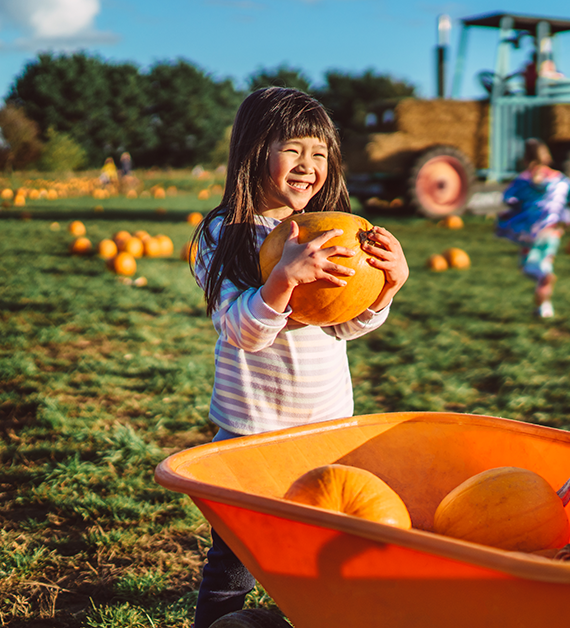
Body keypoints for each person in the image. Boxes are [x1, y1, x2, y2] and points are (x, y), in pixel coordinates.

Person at [188, 86, 409, 628]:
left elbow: (343, 325)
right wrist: (283, 279)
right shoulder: (225, 233)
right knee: (236, 560)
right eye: (293, 150)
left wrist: (386, 289)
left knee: (328, 552)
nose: (309, 166)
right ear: (254, 151)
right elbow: (241, 330)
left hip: (325, 430)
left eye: (319, 153)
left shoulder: (336, 230)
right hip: (250, 434)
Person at [496, 138, 570, 319]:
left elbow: (508, 198)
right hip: (553, 228)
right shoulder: (559, 178)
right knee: (546, 263)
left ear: (525, 159)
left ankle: (541, 279)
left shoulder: (523, 179)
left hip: (530, 231)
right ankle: (544, 308)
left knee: (528, 266)